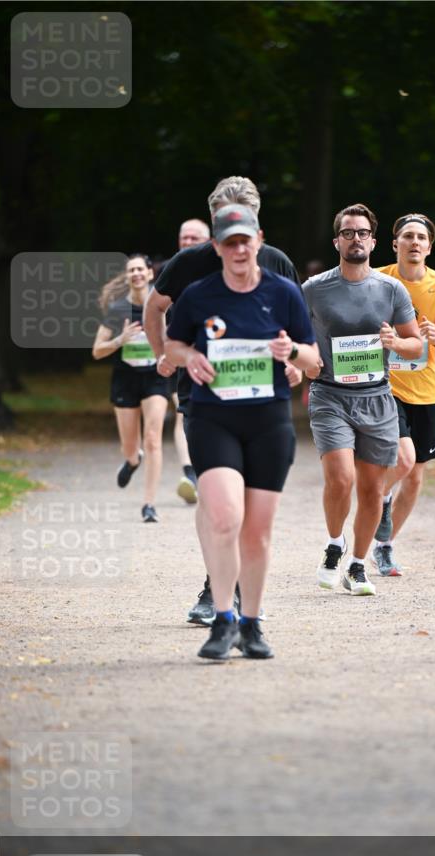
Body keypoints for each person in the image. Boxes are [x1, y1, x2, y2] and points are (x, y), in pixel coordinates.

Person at [144, 176, 303, 626]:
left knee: (252, 506)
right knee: (217, 503)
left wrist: (294, 364)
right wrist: (166, 355)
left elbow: (298, 330)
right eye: (223, 223)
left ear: (258, 222)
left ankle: (243, 592)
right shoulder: (188, 264)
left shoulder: (276, 263)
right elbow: (154, 308)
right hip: (204, 397)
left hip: (262, 399)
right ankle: (215, 588)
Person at [164, 203, 319, 660]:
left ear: (258, 240)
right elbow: (173, 343)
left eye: (244, 240)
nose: (237, 249)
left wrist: (291, 352)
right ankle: (223, 618)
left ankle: (251, 623)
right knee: (225, 517)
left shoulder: (284, 292)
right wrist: (189, 358)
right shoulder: (199, 294)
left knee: (256, 531)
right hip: (214, 418)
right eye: (228, 242)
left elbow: (313, 359)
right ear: (217, 246)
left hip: (268, 421)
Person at [303, 203, 422, 596]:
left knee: (371, 490)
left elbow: (415, 344)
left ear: (373, 241)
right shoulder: (314, 289)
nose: (356, 239)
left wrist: (395, 342)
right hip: (330, 395)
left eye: (363, 233)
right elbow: (298, 337)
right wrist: (303, 363)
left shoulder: (391, 289)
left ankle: (357, 564)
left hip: (376, 397)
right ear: (337, 240)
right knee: (341, 477)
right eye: (348, 233)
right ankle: (334, 544)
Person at [372, 213, 435, 576]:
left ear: (428, 246)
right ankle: (377, 500)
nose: (414, 242)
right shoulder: (377, 280)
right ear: (394, 243)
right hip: (384, 386)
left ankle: (383, 546)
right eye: (407, 236)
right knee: (403, 459)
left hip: (425, 390)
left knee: (415, 476)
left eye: (420, 238)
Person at [92, 254, 169, 523]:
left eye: (140, 269)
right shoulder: (117, 310)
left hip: (155, 378)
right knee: (130, 445)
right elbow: (97, 350)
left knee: (152, 438)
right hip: (125, 380)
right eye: (131, 270)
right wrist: (120, 340)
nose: (136, 273)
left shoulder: (161, 307)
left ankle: (149, 504)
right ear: (127, 277)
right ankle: (132, 460)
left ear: (150, 274)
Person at [171, 218, 212, 506]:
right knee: (183, 414)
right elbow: (157, 313)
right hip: (181, 362)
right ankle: (193, 473)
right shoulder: (171, 274)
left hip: (224, 371)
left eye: (194, 238)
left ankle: (200, 475)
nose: (187, 242)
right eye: (183, 238)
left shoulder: (221, 271)